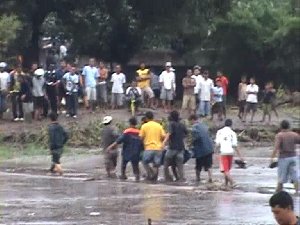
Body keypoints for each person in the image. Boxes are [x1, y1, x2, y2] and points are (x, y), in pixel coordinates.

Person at [270, 120, 300, 194]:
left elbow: (276, 147)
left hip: (283, 157)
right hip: (294, 157)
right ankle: (297, 192)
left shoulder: (279, 135)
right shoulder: (294, 135)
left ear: (281, 126)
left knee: (281, 177)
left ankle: (278, 192)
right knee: (295, 176)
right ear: (289, 126)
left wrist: (272, 158)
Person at [215, 119, 244, 188]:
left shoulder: (219, 132)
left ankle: (232, 182)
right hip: (231, 152)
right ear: (231, 125)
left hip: (223, 152)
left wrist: (215, 153)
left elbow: (217, 144)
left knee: (225, 170)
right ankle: (226, 184)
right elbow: (235, 145)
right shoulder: (233, 133)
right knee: (227, 169)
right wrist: (240, 156)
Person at [140, 111, 166, 181]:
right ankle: (155, 179)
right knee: (156, 165)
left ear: (146, 118)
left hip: (148, 148)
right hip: (158, 148)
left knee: (144, 161)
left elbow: (141, 138)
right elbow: (164, 136)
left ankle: (150, 174)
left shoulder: (144, 126)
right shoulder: (159, 126)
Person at [162, 110, 188, 182]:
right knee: (180, 165)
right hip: (181, 148)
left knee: (166, 163)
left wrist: (164, 142)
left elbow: (169, 134)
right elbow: (186, 133)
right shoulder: (182, 125)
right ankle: (181, 178)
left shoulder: (171, 124)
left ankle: (167, 178)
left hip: (172, 148)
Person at [189, 114, 214, 182]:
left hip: (201, 150)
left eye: (190, 121)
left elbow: (196, 138)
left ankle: (198, 178)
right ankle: (210, 178)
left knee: (198, 165)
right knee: (209, 165)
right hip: (209, 148)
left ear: (193, 120)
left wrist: (190, 145)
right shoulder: (204, 126)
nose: (190, 123)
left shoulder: (194, 127)